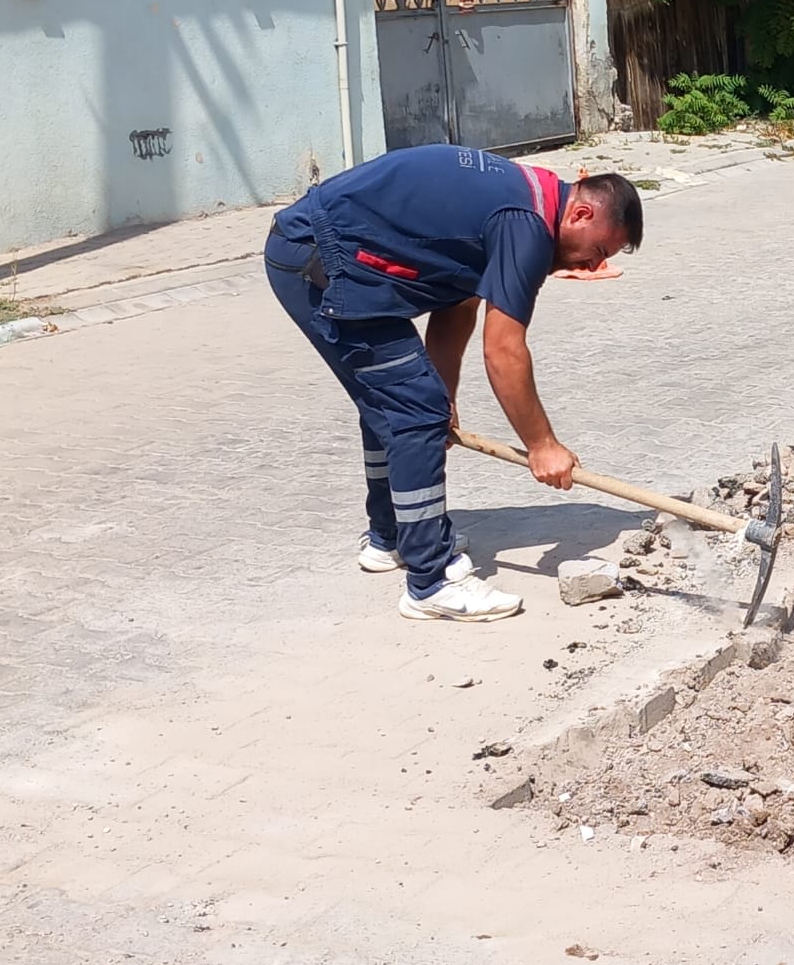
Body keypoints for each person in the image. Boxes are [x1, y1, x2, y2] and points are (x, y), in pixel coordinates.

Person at [264, 146, 643, 621]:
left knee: (406, 402)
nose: (592, 268)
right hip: (324, 261)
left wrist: (444, 394)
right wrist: (542, 444)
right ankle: (432, 581)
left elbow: (457, 305)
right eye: (598, 251)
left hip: (321, 253)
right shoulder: (526, 226)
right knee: (413, 407)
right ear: (582, 212)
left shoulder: (532, 202)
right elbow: (503, 351)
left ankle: (392, 537)